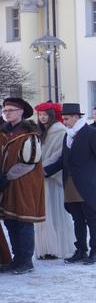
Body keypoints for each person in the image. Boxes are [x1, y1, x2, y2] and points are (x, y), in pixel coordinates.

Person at [44, 103, 96, 265]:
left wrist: (87, 170)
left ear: (75, 117)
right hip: (70, 183)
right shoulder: (68, 135)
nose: (64, 122)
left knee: (91, 217)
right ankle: (80, 250)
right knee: (78, 219)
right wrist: (45, 171)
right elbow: (63, 160)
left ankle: (95, 251)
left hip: (86, 183)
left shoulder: (91, 133)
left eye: (66, 119)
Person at [0, 98, 45, 274]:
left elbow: (30, 162)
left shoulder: (29, 134)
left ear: (21, 112)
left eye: (10, 110)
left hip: (23, 183)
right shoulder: (3, 133)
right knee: (10, 221)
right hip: (6, 184)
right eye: (5, 110)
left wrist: (7, 176)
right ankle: (16, 258)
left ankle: (26, 261)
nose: (7, 113)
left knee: (23, 222)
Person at [34, 101, 75, 260]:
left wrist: (43, 168)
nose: (42, 117)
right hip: (40, 177)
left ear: (52, 115)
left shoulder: (60, 131)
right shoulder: (39, 132)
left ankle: (57, 247)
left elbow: (59, 155)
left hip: (52, 178)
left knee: (55, 212)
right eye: (40, 115)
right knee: (43, 213)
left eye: (45, 114)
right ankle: (45, 248)